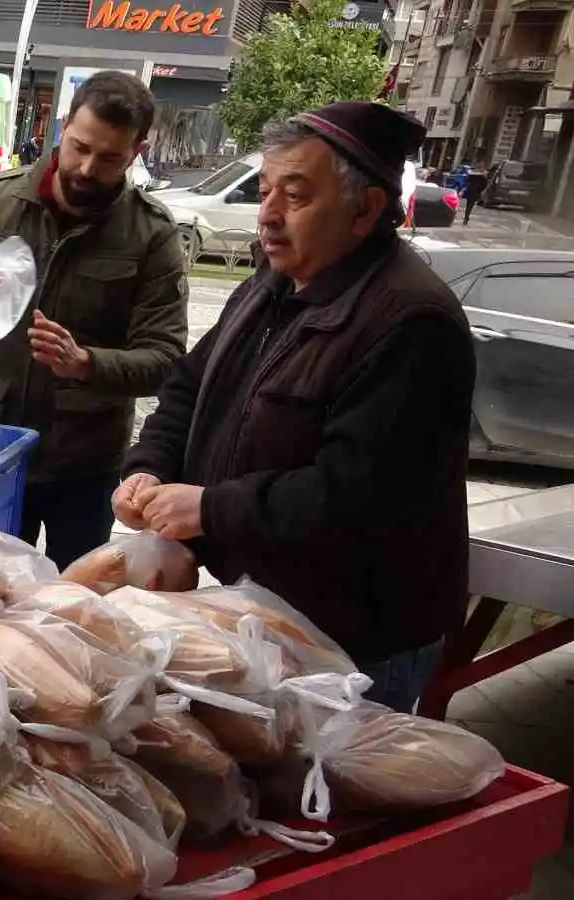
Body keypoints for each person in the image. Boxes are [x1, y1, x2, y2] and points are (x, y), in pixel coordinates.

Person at [116, 102, 475, 714]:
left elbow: (356, 494)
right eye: (264, 192)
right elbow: (188, 389)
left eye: (297, 197)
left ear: (364, 210)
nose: (269, 215)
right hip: (265, 612)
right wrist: (146, 467)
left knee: (326, 796)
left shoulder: (411, 322)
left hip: (358, 640)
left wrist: (209, 507)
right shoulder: (270, 285)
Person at [0, 70, 187, 568]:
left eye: (109, 158)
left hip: (83, 466)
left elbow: (167, 361)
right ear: (62, 127)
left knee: (71, 610)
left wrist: (86, 363)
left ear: (137, 150)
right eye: (79, 146)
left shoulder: (152, 235)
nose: (85, 168)